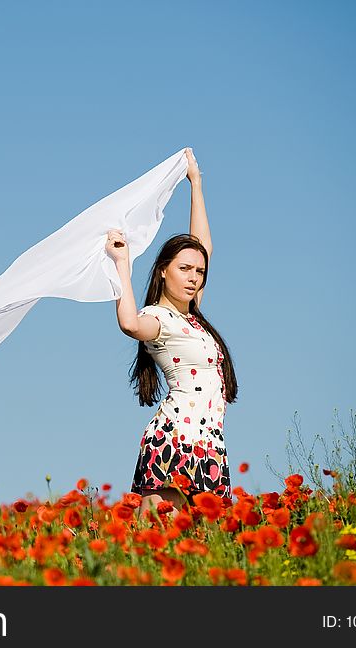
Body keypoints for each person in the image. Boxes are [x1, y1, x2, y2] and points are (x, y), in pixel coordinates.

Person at [105, 147, 238, 520]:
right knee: (160, 541)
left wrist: (196, 183)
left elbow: (203, 247)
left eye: (198, 271)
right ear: (164, 271)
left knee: (203, 548)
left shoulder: (193, 316)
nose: (194, 276)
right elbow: (130, 324)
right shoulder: (158, 319)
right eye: (185, 269)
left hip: (210, 443)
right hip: (176, 438)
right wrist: (121, 263)